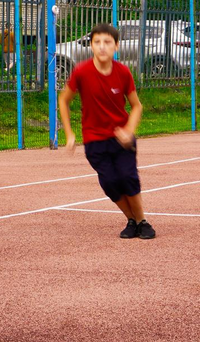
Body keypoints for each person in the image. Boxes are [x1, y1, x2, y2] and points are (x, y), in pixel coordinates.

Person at [59, 23, 154, 240]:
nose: (102, 47)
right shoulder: (81, 72)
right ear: (91, 45)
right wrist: (69, 133)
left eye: (107, 42)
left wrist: (129, 130)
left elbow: (136, 106)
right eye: (97, 42)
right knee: (110, 182)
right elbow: (64, 101)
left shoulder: (123, 72)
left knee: (128, 177)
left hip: (121, 139)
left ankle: (142, 221)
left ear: (116, 46)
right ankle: (131, 220)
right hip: (94, 140)